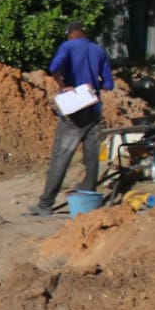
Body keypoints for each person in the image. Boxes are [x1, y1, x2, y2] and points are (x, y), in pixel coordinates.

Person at [26, 21, 115, 216]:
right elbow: (108, 84)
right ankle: (89, 198)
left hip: (74, 111)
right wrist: (92, 84)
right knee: (92, 157)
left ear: (70, 35)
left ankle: (46, 204)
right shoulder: (99, 50)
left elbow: (54, 67)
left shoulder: (67, 46)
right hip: (94, 109)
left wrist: (64, 84)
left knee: (62, 156)